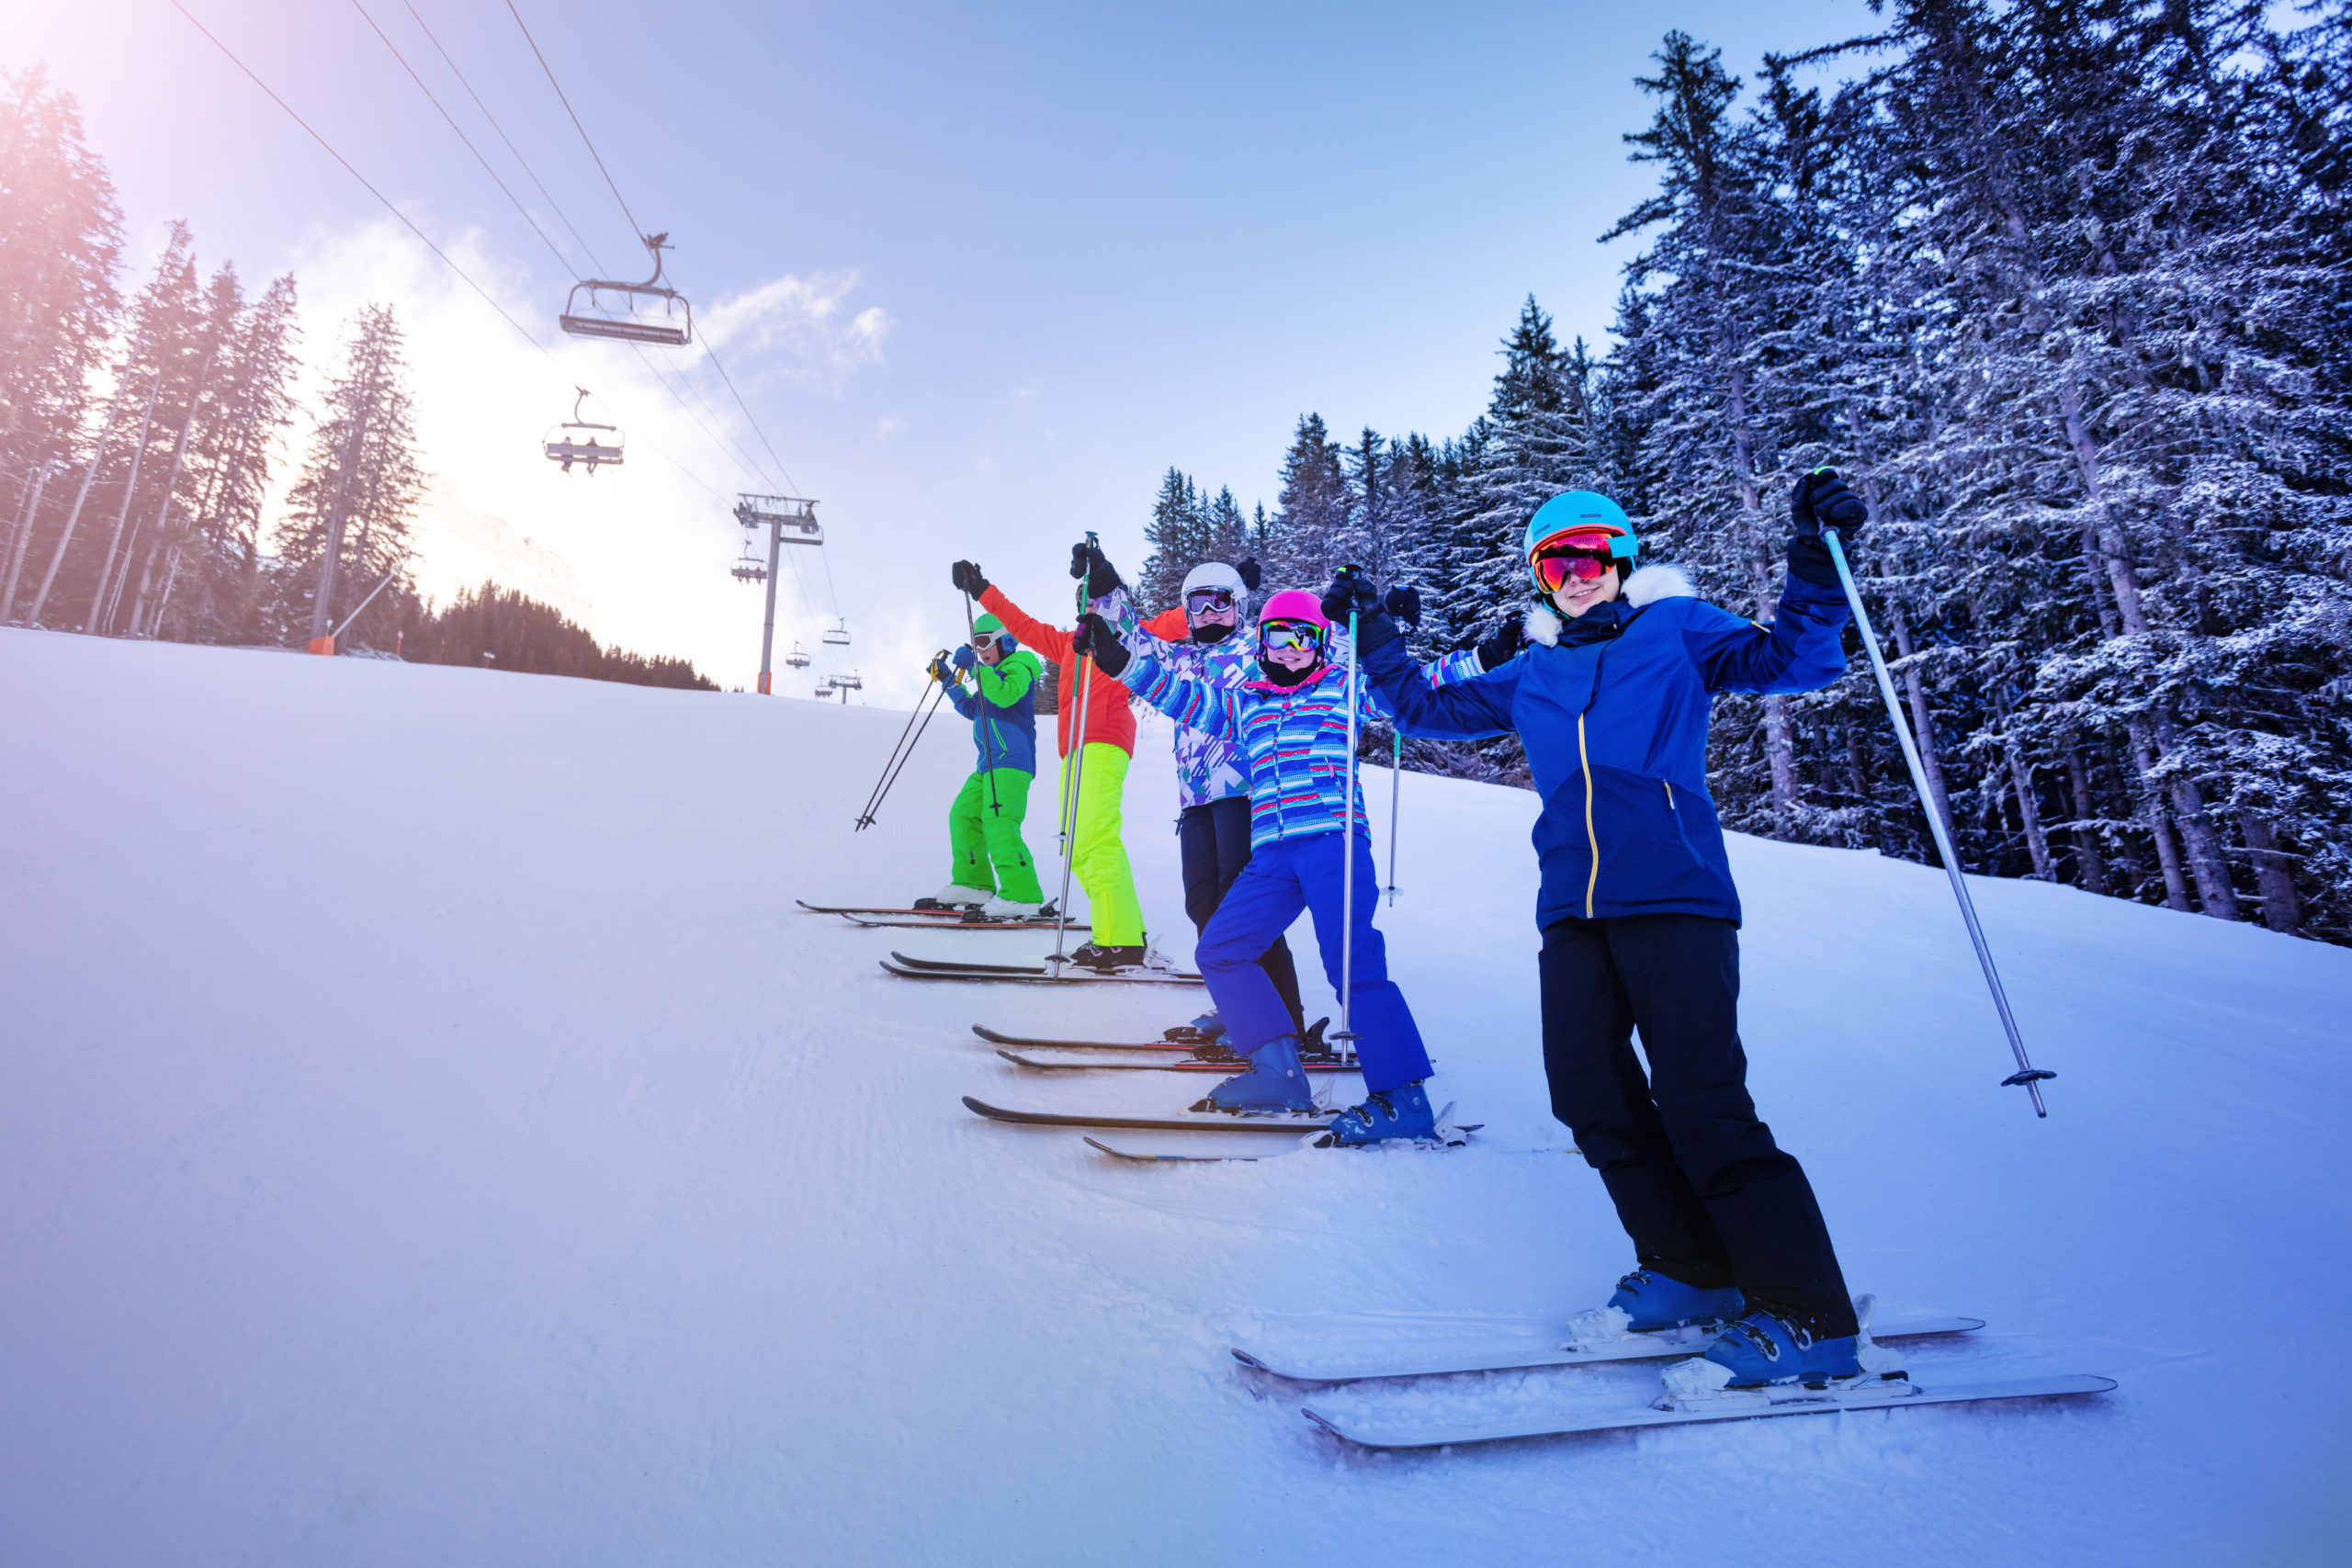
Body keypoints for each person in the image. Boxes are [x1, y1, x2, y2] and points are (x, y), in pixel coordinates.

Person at [1350, 477, 1872, 1389]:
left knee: (1702, 1103)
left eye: (1589, 556)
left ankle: (1809, 1314)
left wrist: (1811, 557)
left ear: (1621, 562)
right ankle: (1690, 1268)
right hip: (1573, 911)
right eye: (1555, 561)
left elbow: (1796, 658)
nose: (1574, 574)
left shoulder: (1675, 631)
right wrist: (1377, 640)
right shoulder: (1535, 671)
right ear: (1539, 576)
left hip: (1675, 897)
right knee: (1587, 1093)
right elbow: (1425, 711)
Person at [1074, 574, 1441, 1145]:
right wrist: (1119, 658)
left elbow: (1421, 685)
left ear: (1320, 643)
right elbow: (1180, 695)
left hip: (1332, 840)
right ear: (1261, 643)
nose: (1287, 650)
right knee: (1220, 949)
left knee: (1350, 961)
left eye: (1300, 638)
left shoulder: (1344, 687)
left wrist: (1486, 651)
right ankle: (1277, 1072)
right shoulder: (1247, 703)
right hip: (1273, 853)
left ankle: (1403, 1098)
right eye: (1275, 639)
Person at [950, 558, 1151, 972]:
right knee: (1078, 846)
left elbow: (1179, 623)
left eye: (1100, 600)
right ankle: (1117, 932)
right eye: (1085, 602)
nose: (1091, 608)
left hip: (1104, 739)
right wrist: (982, 588)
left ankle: (1123, 942)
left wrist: (1228, 587)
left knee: (1095, 838)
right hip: (1074, 750)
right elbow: (1020, 624)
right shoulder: (1068, 645)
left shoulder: (1131, 637)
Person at [918, 614, 1048, 918]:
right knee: (963, 815)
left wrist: (977, 670)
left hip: (1011, 762)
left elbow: (1004, 696)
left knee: (1000, 822)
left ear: (1005, 640)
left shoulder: (1018, 668)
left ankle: (1022, 894)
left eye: (984, 643)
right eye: (976, 647)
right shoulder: (991, 676)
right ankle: (973, 883)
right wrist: (949, 680)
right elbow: (971, 708)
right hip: (987, 765)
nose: (981, 651)